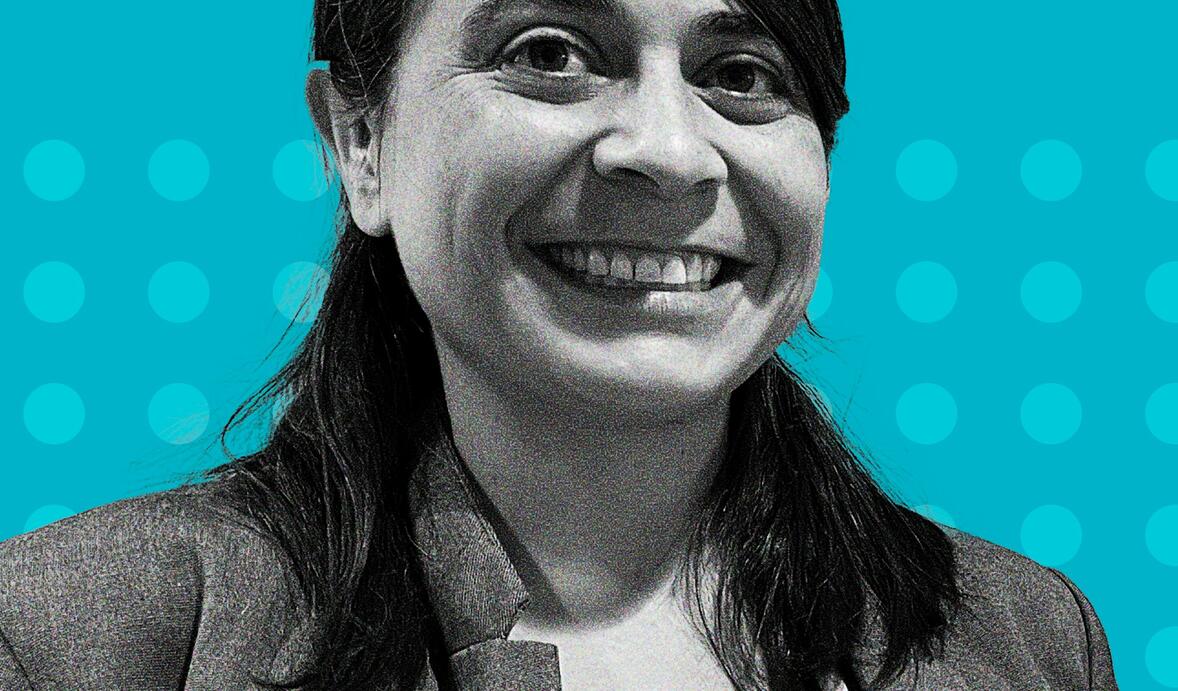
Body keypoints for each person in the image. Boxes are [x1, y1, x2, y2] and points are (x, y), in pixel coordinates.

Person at [0, 0, 1118, 688]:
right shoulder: (76, 638)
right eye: (549, 51)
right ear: (360, 142)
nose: (668, 152)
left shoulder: (1029, 641)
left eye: (741, 74)